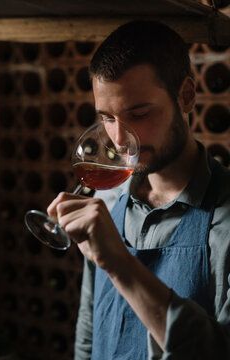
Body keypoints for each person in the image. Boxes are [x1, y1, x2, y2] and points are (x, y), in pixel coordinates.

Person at [47, 21, 230, 359]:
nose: (118, 140)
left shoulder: (225, 217)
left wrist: (119, 263)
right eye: (107, 118)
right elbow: (89, 332)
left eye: (139, 113)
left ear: (187, 95)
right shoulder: (107, 201)